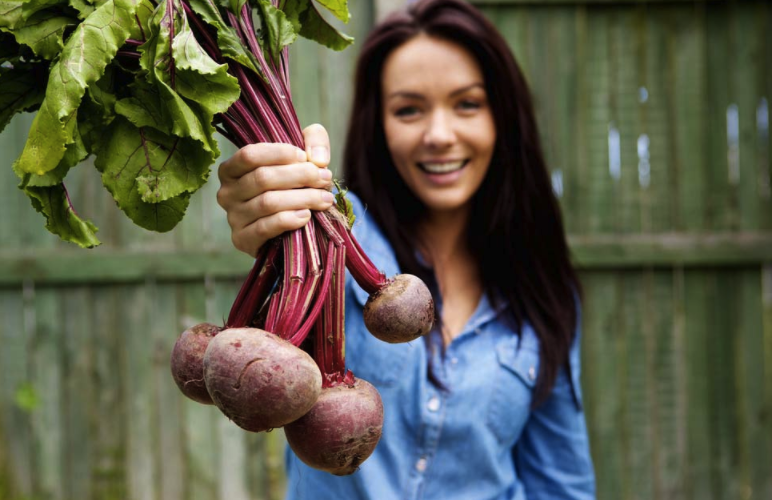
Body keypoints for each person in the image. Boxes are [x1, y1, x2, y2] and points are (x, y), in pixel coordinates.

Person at [216, 0, 596, 498]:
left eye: (467, 104)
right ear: (380, 125)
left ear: (504, 118)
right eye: (409, 109)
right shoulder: (327, 231)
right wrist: (267, 208)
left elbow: (560, 482)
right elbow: (278, 217)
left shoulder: (543, 290)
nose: (439, 135)